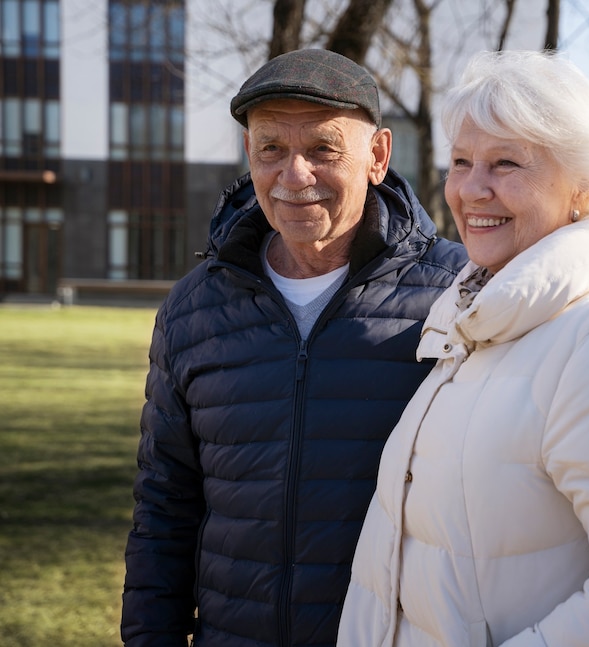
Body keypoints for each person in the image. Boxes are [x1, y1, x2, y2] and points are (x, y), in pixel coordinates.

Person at [337, 50, 589, 647]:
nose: (471, 189)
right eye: (461, 162)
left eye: (506, 163)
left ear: (582, 188)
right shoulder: (481, 321)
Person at [120, 48, 467, 647]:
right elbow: (164, 506)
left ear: (378, 156)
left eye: (324, 149)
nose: (294, 175)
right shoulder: (195, 308)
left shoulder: (456, 298)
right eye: (271, 149)